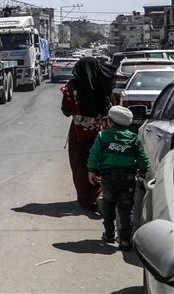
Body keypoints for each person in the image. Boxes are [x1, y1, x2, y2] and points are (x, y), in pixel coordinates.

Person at [87, 105, 149, 250]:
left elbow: (94, 154)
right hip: (127, 179)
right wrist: (143, 171)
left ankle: (109, 234)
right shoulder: (134, 138)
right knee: (126, 209)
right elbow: (143, 158)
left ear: (110, 121)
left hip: (108, 178)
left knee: (108, 205)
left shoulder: (103, 136)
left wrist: (91, 170)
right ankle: (125, 240)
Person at [60, 57, 117, 211]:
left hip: (79, 135)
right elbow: (112, 106)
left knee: (80, 165)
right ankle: (100, 193)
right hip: (102, 133)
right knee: (101, 162)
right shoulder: (103, 84)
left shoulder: (72, 86)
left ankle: (86, 199)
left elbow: (66, 110)